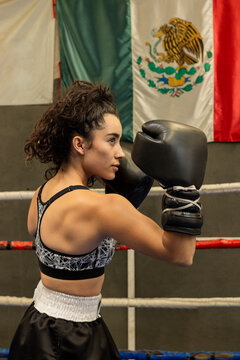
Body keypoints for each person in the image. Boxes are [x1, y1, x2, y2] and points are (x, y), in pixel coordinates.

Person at [8, 80, 207, 360]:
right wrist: (183, 191)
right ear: (79, 143)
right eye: (111, 140)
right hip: (73, 340)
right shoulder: (105, 208)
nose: (119, 153)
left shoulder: (41, 196)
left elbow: (57, 238)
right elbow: (181, 254)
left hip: (36, 327)